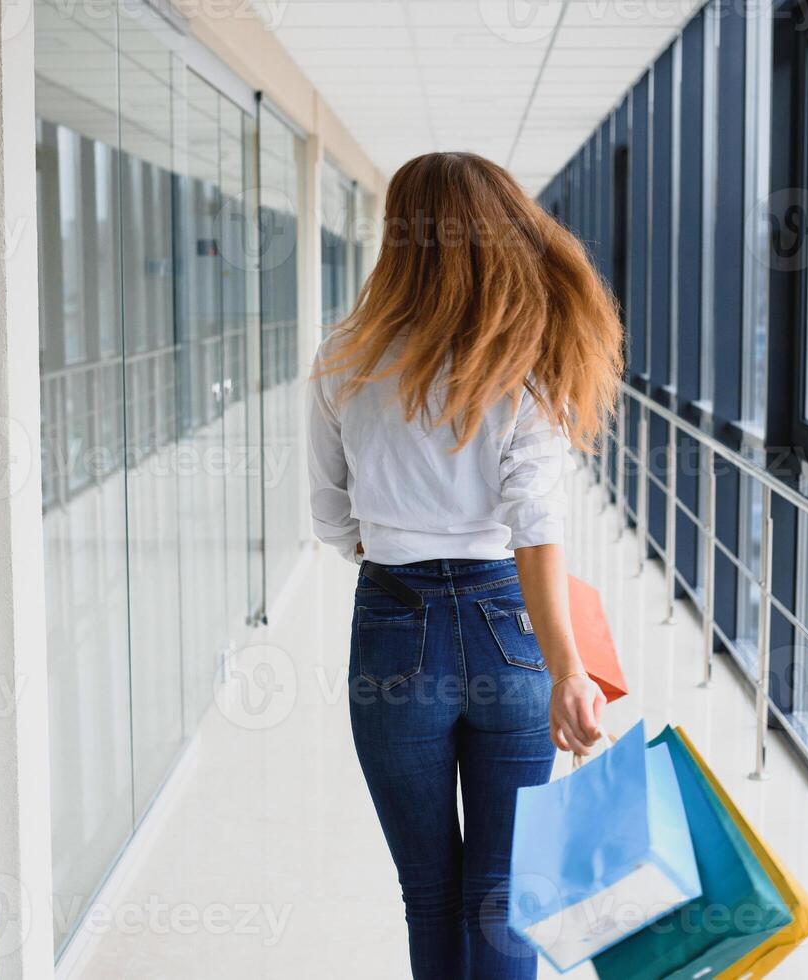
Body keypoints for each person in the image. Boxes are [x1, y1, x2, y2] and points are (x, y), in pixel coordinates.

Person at [307, 151, 625, 979]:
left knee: (430, 890)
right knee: (501, 890)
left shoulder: (343, 358)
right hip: (510, 629)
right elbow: (536, 525)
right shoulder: (522, 365)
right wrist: (568, 671)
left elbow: (330, 515)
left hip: (391, 626)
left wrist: (393, 556)